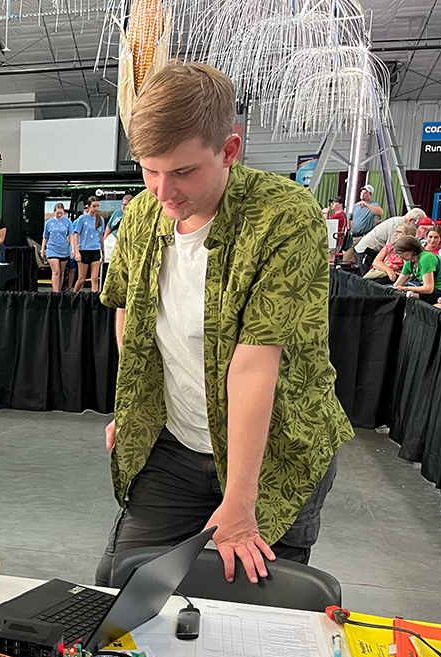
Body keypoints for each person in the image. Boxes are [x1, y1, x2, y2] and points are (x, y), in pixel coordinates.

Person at [97, 61, 352, 585]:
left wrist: (240, 499)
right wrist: (135, 406)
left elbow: (254, 365)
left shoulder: (285, 216)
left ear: (229, 150)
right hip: (175, 448)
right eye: (149, 169)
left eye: (183, 172)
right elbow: (130, 314)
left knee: (249, 615)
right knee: (120, 590)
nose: (163, 191)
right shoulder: (144, 215)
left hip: (276, 451)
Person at [355, 207, 424, 275]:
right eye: (416, 225)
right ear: (411, 220)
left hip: (374, 251)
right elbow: (392, 251)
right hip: (366, 251)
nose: (416, 227)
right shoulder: (397, 225)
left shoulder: (398, 222)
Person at [392, 236, 441, 305]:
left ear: (412, 250)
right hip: (429, 288)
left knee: (412, 296)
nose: (400, 257)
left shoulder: (426, 259)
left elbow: (428, 288)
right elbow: (397, 285)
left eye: (401, 253)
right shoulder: (409, 262)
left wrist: (406, 288)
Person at [71, 195, 106, 293]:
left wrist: (103, 252)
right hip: (84, 250)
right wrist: (77, 251)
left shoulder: (100, 220)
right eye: (94, 206)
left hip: (95, 249)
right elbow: (76, 234)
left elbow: (101, 236)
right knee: (82, 279)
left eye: (97, 206)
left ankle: (94, 298)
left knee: (94, 278)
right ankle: (75, 295)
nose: (96, 209)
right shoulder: (82, 219)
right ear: (89, 207)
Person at [42, 203, 73, 293]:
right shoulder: (49, 223)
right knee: (56, 271)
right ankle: (55, 292)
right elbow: (45, 237)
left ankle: (59, 290)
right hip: (52, 248)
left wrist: (73, 248)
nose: (59, 215)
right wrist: (43, 250)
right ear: (54, 212)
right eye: (57, 213)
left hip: (63, 249)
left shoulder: (68, 222)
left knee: (61, 271)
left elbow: (71, 236)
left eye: (61, 213)